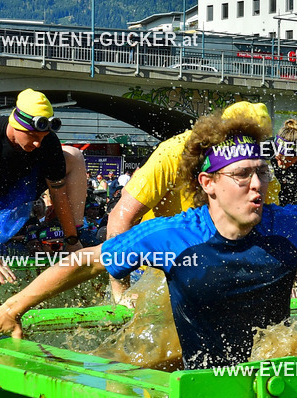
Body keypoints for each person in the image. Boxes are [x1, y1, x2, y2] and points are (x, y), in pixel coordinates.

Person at [0, 110, 297, 368]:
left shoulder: (286, 223)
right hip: (194, 373)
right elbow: (87, 261)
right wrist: (11, 308)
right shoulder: (172, 236)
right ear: (208, 183)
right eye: (242, 176)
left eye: (261, 173)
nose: (257, 186)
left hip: (269, 364)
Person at [105, 101, 281, 301]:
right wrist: (122, 294)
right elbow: (121, 218)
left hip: (217, 263)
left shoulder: (259, 168)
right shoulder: (172, 152)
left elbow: (269, 231)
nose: (244, 152)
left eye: (252, 144)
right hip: (156, 268)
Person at [0, 89, 85, 282]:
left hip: (17, 191)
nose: (37, 143)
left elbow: (58, 195)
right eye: (32, 135)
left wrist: (72, 241)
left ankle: (77, 230)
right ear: (15, 125)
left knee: (74, 156)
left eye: (42, 136)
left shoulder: (47, 142)